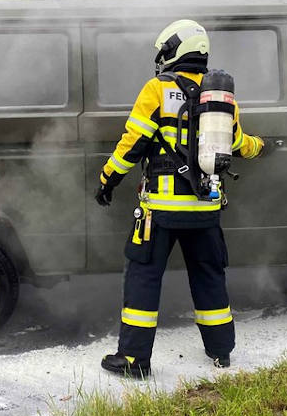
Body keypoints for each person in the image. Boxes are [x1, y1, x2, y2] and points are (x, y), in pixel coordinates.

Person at [95, 20, 265, 378]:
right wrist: (261, 146)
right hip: (205, 209)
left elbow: (133, 143)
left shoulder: (157, 90)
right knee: (209, 277)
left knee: (143, 278)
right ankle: (221, 352)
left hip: (160, 212)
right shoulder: (220, 96)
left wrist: (107, 180)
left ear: (175, 50)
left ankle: (134, 360)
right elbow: (236, 143)